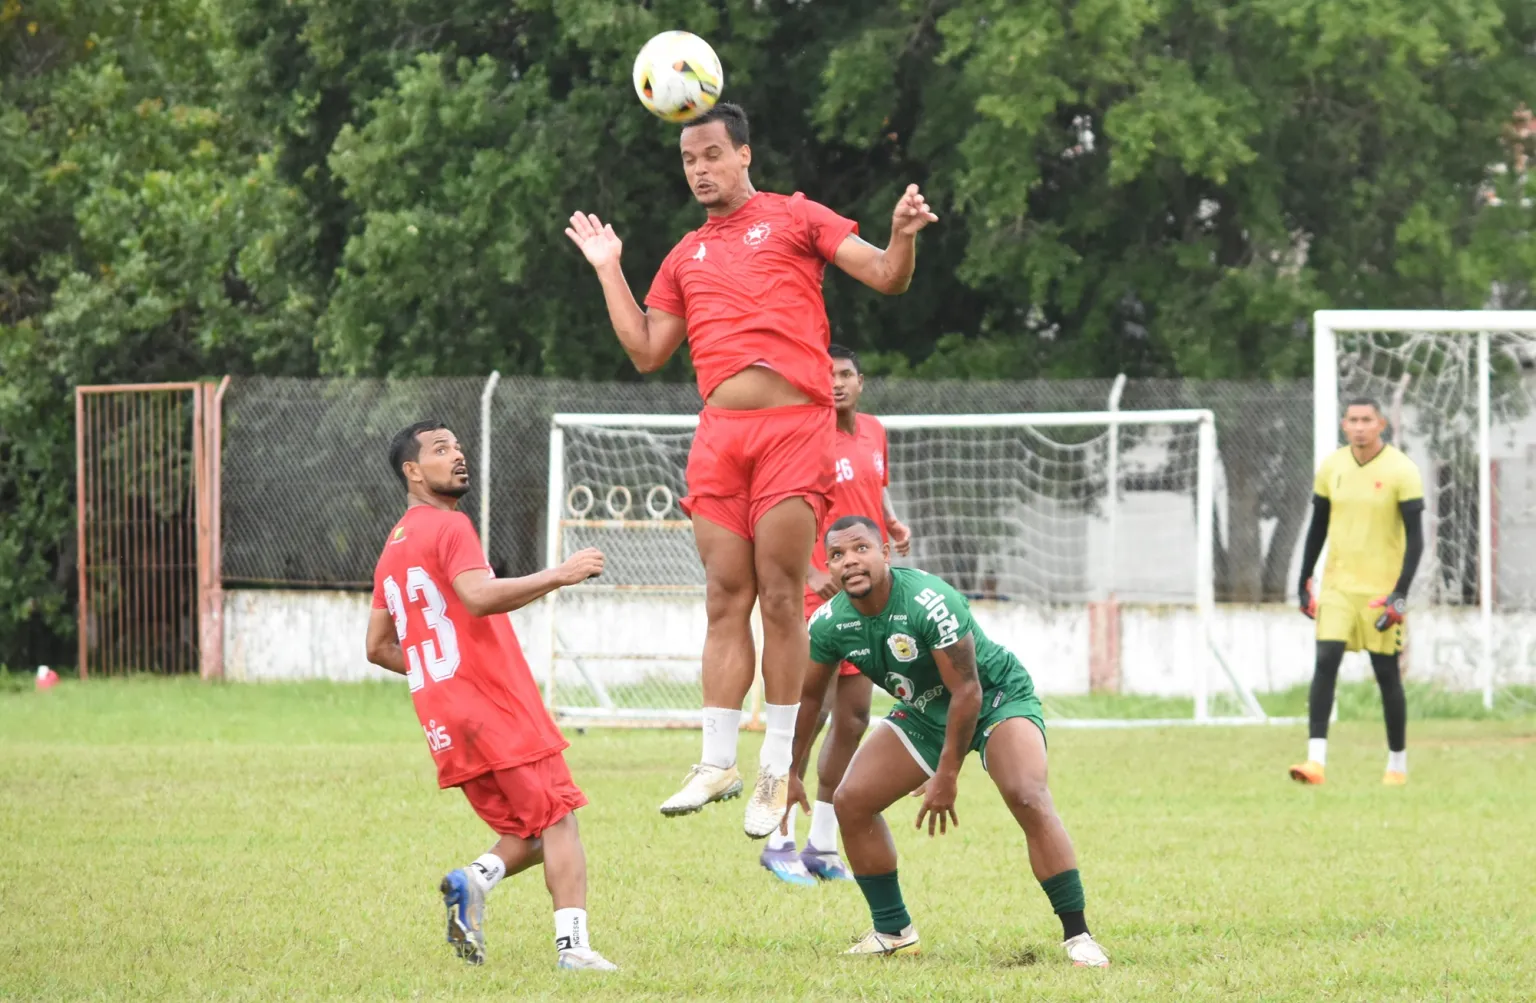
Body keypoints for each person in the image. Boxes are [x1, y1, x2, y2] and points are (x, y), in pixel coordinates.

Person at [564, 102, 938, 837]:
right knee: (723, 595)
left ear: (744, 154)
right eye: (688, 159)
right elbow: (647, 349)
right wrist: (609, 269)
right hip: (720, 436)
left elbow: (888, 276)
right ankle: (716, 761)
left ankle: (774, 766)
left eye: (712, 154)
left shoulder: (795, 217)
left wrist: (901, 234)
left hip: (794, 430)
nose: (699, 169)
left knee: (781, 596)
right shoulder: (684, 256)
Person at [787, 516, 1110, 966]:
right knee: (852, 801)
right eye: (837, 555)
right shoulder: (828, 623)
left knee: (1027, 794)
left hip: (996, 697)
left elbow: (968, 690)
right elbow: (810, 699)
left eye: (861, 548)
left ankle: (1079, 936)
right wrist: (791, 771)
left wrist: (946, 773)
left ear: (885, 552)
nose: (850, 561)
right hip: (924, 710)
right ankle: (893, 932)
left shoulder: (929, 601)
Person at [364, 420, 617, 971]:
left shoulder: (393, 547)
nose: (457, 455)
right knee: (560, 819)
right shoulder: (450, 526)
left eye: (457, 446)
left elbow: (378, 647)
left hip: (444, 719)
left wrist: (444, 675)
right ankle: (574, 949)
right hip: (494, 706)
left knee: (528, 831)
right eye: (440, 449)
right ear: (412, 471)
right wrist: (559, 574)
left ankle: (472, 881)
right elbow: (477, 597)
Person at [760, 344, 911, 885]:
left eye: (845, 373)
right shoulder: (807, 436)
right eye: (828, 376)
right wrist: (806, 571)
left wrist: (891, 523)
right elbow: (779, 507)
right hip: (818, 592)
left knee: (853, 716)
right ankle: (775, 834)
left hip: (864, 594)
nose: (837, 383)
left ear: (860, 381)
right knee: (806, 713)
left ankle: (822, 843)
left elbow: (876, 488)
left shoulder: (874, 430)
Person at [1292, 398, 1424, 786]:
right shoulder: (1331, 467)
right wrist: (1304, 579)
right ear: (1344, 424)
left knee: (1386, 674)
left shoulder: (1402, 470)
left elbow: (1416, 540)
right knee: (1325, 660)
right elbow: (1317, 526)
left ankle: (1397, 765)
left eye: (1367, 420)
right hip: (1337, 587)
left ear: (1381, 424)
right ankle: (1315, 762)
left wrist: (1400, 594)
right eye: (1353, 420)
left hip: (1380, 593)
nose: (1360, 426)